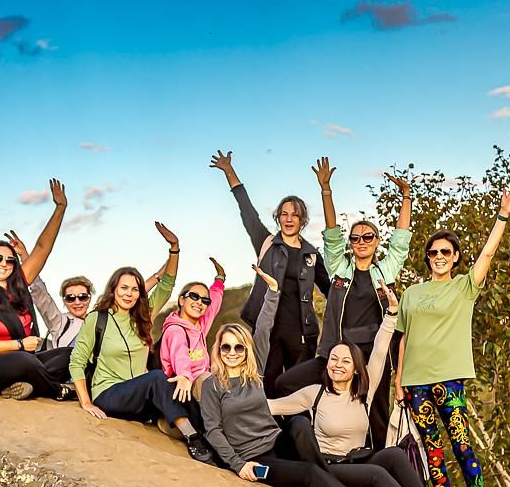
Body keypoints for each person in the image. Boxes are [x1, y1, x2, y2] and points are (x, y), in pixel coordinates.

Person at [200, 267, 397, 487]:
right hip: (255, 457)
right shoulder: (213, 385)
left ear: (246, 350)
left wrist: (272, 291)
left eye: (239, 347)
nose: (233, 352)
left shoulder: (253, 373)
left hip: (277, 441)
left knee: (300, 424)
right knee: (307, 473)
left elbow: (264, 328)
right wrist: (237, 464)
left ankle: (329, 478)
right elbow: (213, 430)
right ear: (218, 350)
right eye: (226, 347)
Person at [268, 281, 463, 487]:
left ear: (357, 369)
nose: (337, 365)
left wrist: (392, 314)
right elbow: (271, 406)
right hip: (329, 470)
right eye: (333, 359)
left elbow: (381, 348)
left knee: (393, 454)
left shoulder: (364, 392)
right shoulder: (314, 393)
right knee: (376, 475)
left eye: (345, 361)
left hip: (355, 461)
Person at [395, 183, 510, 487]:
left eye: (445, 252)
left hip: (449, 382)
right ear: (427, 258)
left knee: (462, 447)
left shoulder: (463, 288)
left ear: (455, 258)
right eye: (433, 252)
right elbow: (403, 339)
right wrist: (398, 380)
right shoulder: (412, 293)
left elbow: (487, 254)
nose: (438, 256)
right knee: (432, 452)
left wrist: (503, 214)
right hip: (416, 383)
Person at [275, 161, 413, 449]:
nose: (361, 241)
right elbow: (331, 233)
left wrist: (406, 197)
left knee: (375, 412)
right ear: (351, 243)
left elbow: (400, 243)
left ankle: (374, 463)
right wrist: (326, 189)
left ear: (377, 242)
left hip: (368, 359)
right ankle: (309, 438)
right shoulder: (339, 268)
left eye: (368, 237)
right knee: (285, 384)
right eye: (356, 238)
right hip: (333, 353)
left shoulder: (383, 273)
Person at [69, 223, 216, 465]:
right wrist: (85, 401)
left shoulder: (143, 316)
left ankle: (209, 440)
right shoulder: (98, 319)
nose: (129, 293)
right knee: (158, 377)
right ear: (114, 289)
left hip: (139, 397)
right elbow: (77, 361)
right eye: (124, 288)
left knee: (179, 388)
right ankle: (192, 438)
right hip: (109, 394)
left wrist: (174, 250)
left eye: (135, 289)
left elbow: (167, 284)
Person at [210, 149, 330, 396]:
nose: (289, 219)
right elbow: (247, 211)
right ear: (278, 218)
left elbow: (330, 290)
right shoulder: (266, 243)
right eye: (284, 214)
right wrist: (229, 172)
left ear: (303, 220)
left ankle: (296, 433)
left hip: (302, 333)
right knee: (267, 387)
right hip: (268, 330)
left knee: (299, 392)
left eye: (294, 215)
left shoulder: (311, 254)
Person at [0, 179, 70, 400]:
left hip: (22, 360)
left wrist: (60, 208)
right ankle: (57, 390)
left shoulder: (19, 286)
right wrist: (20, 344)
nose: (4, 263)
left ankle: (21, 385)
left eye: (10, 260)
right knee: (24, 360)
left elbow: (42, 249)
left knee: (70, 355)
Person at [2, 230, 93, 351]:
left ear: (90, 297)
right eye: (70, 298)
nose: (77, 302)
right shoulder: (60, 322)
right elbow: (41, 294)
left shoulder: (102, 321)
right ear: (64, 301)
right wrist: (24, 255)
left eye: (82, 297)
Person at [159, 257, 226, 402]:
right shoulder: (175, 330)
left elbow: (214, 301)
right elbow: (180, 353)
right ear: (182, 300)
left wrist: (220, 278)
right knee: (210, 380)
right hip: (181, 387)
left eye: (204, 300)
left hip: (199, 386)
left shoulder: (200, 325)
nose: (199, 302)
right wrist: (184, 375)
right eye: (194, 296)